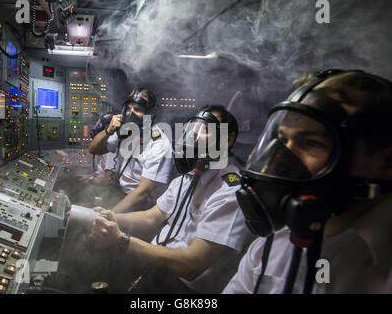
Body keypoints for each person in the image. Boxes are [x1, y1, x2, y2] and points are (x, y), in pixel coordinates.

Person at [223, 69, 392, 294]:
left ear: (387, 163)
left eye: (311, 143)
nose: (281, 158)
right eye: (281, 140)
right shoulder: (276, 241)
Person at [89, 105, 253, 293]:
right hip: (156, 267)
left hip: (183, 288)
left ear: (228, 139)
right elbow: (151, 217)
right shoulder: (188, 177)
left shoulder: (230, 192)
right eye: (192, 130)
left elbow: (191, 265)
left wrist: (120, 239)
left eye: (204, 131)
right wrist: (111, 216)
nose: (194, 137)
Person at [89, 88, 173, 213]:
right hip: (122, 194)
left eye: (137, 109)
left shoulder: (160, 144)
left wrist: (110, 214)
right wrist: (108, 130)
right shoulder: (125, 132)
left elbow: (142, 193)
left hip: (143, 206)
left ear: (152, 112)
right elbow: (94, 149)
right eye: (128, 109)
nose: (130, 113)